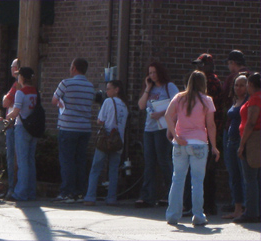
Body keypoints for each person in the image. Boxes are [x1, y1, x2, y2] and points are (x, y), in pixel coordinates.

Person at [165, 70, 219, 226]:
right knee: (197, 181)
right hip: (199, 143)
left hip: (181, 143)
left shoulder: (179, 97)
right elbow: (211, 125)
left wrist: (175, 136)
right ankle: (198, 215)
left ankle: (173, 215)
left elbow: (168, 115)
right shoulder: (206, 100)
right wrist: (214, 146)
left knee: (177, 179)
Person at [135, 62, 179, 208]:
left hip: (163, 128)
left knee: (163, 160)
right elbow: (141, 105)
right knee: (149, 162)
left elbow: (177, 104)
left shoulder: (169, 87)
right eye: (150, 73)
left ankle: (171, 194)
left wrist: (162, 113)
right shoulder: (151, 88)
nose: (152, 75)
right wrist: (147, 88)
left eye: (154, 72)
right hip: (150, 129)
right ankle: (148, 196)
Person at [52, 58, 95, 203]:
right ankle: (79, 192)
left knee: (67, 160)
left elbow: (54, 100)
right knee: (80, 160)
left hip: (68, 127)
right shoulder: (90, 87)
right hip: (84, 128)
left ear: (74, 68)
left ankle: (67, 192)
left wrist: (61, 103)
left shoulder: (66, 83)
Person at [84, 80, 129, 206]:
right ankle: (111, 198)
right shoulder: (124, 105)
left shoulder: (108, 101)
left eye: (109, 88)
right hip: (118, 141)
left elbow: (100, 120)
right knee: (113, 170)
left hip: (106, 139)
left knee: (96, 168)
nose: (106, 91)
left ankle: (90, 197)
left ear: (116, 90)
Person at [220, 49, 250, 214]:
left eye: (242, 85)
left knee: (243, 174)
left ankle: (245, 206)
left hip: (241, 139)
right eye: (236, 85)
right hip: (231, 138)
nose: (238, 87)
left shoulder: (247, 98)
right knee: (234, 173)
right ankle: (238, 206)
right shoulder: (235, 98)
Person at [5, 67, 39, 201]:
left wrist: (6, 118)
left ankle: (20, 192)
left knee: (22, 161)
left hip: (22, 127)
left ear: (23, 78)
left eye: (19, 75)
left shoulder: (20, 92)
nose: (18, 77)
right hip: (34, 127)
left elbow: (16, 111)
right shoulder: (35, 92)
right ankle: (31, 191)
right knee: (30, 160)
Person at [234, 72, 261, 223]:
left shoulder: (256, 99)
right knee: (257, 178)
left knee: (250, 178)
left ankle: (251, 212)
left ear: (250, 85)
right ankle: (257, 211)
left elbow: (251, 123)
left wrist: (242, 144)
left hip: (253, 140)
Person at [2, 58, 19, 199]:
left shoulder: (16, 85)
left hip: (13, 126)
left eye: (12, 66)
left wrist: (5, 97)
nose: (11, 69)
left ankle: (12, 189)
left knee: (12, 158)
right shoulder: (24, 86)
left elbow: (6, 102)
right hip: (19, 126)